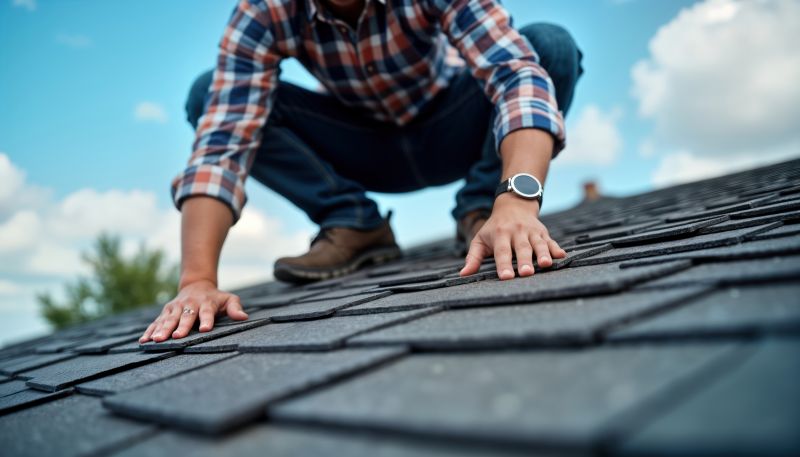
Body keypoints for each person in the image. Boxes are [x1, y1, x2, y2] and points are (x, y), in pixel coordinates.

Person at [140, 0, 583, 344]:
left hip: (455, 128)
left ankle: (485, 211)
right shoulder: (265, 12)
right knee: (206, 93)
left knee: (548, 46)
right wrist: (197, 281)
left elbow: (515, 77)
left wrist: (517, 200)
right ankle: (354, 222)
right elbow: (222, 145)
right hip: (365, 148)